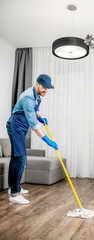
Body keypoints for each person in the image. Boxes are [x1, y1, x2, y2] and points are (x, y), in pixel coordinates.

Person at [6, 74, 58, 204]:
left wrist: (40, 117)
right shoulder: (28, 96)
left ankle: (12, 187)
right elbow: (34, 125)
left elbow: (36, 109)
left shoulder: (38, 94)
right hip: (16, 125)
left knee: (15, 158)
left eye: (47, 88)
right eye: (43, 87)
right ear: (37, 84)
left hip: (21, 126)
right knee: (21, 158)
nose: (46, 90)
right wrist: (47, 140)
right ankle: (14, 194)